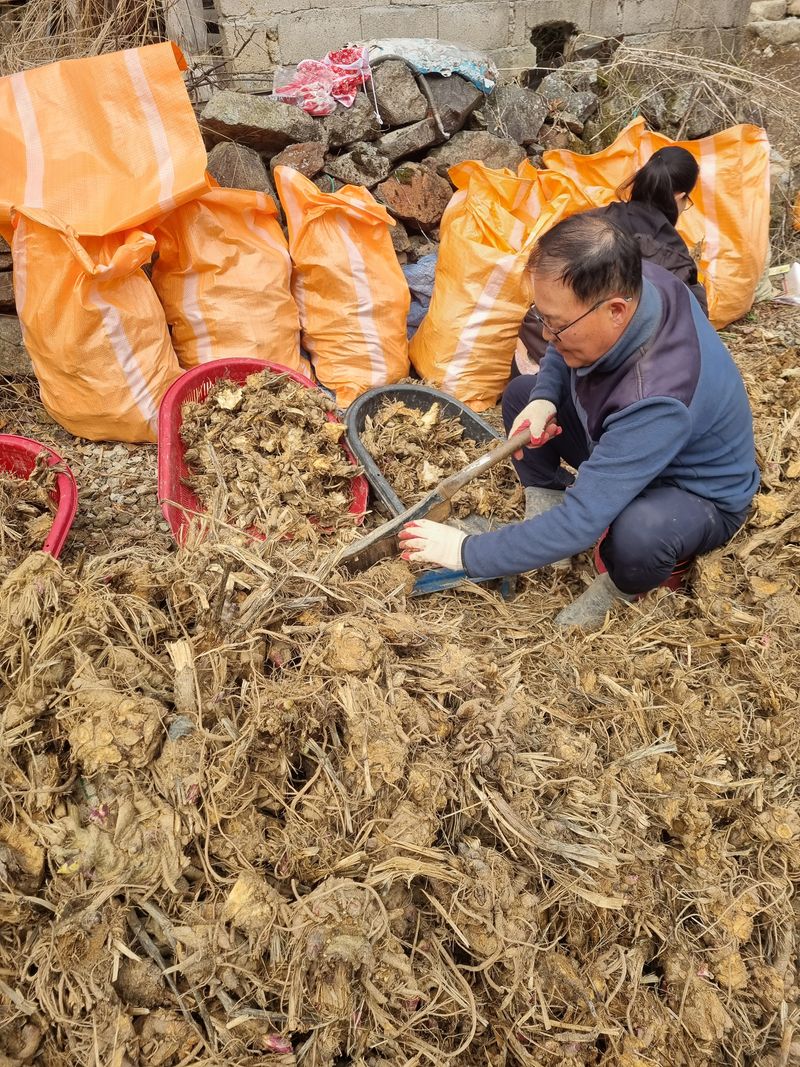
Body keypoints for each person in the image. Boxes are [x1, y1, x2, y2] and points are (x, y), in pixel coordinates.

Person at [399, 213, 759, 628]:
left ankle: (620, 587)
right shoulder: (634, 282)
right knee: (522, 396)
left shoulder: (657, 397)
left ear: (617, 311)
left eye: (557, 324)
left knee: (638, 534)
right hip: (628, 437)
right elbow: (560, 343)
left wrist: (465, 552)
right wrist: (544, 399)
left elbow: (583, 521)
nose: (547, 336)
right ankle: (542, 513)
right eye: (543, 318)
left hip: (694, 493)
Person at [513, 146, 707, 378]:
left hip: (529, 349)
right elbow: (693, 334)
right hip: (576, 364)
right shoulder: (673, 258)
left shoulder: (593, 220)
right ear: (680, 197)